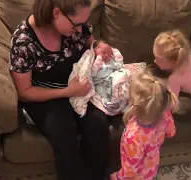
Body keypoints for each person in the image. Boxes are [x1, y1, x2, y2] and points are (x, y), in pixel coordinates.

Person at [9, 0, 119, 179]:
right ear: (56, 13)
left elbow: (91, 43)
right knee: (64, 133)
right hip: (46, 97)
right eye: (77, 25)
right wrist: (68, 92)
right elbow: (25, 91)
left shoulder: (76, 25)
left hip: (79, 88)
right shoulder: (24, 41)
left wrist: (99, 47)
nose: (80, 29)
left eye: (83, 25)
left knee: (97, 127)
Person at [110, 67, 178, 180]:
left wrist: (117, 176)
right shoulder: (165, 114)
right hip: (151, 167)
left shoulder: (133, 137)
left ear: (135, 104)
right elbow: (171, 132)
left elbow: (130, 170)